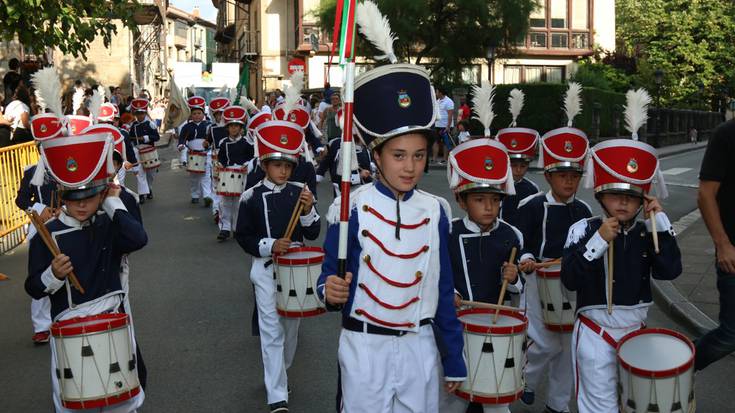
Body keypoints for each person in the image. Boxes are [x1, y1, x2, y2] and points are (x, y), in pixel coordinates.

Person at [317, 19, 467, 410]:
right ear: (377, 156)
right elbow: (329, 275)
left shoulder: (436, 211)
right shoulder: (352, 207)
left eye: (419, 156)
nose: (410, 167)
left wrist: (453, 358)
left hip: (420, 349)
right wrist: (328, 291)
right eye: (399, 156)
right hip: (365, 347)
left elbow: (442, 290)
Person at [562, 91, 682, 412]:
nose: (625, 202)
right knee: (599, 407)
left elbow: (670, 271)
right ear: (601, 194)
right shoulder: (583, 229)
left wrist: (661, 224)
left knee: (638, 405)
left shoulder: (647, 231)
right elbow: (570, 280)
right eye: (615, 194)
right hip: (594, 332)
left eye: (632, 196)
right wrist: (599, 240)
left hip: (636, 332)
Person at [25, 130, 148, 413]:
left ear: (102, 192)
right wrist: (52, 275)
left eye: (90, 196)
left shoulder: (110, 224)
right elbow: (33, 288)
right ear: (62, 195)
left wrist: (112, 201)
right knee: (75, 405)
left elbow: (139, 239)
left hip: (113, 322)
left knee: (124, 404)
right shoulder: (47, 235)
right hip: (69, 327)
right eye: (73, 197)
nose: (81, 204)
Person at [234, 120, 320, 413]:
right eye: (277, 164)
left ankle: (278, 373)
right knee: (271, 331)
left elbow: (313, 232)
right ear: (264, 165)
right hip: (265, 271)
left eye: (288, 165)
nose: (283, 171)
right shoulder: (250, 197)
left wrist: (308, 212)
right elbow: (243, 236)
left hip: (296, 272)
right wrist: (271, 245)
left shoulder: (301, 192)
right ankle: (277, 395)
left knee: (290, 331)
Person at [516, 83, 591, 413]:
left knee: (566, 347)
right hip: (538, 279)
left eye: (574, 175)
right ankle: (526, 379)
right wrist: (529, 259)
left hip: (570, 281)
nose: (569, 181)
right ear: (548, 175)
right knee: (541, 341)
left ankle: (558, 405)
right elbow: (522, 242)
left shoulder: (587, 213)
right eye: (562, 175)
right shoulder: (532, 205)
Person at [440, 139, 523, 413]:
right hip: (457, 327)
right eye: (479, 199)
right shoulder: (448, 234)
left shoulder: (510, 235)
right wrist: (450, 294)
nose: (489, 207)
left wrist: (514, 278)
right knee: (452, 399)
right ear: (461, 201)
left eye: (495, 200)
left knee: (496, 400)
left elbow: (517, 292)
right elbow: (439, 276)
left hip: (494, 326)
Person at [695, 117, 735, 370]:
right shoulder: (727, 134)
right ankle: (672, 370)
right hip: (734, 254)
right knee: (731, 335)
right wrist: (722, 244)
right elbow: (705, 194)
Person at [15, 147, 60, 344]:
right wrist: (39, 208)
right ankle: (42, 326)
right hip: (40, 228)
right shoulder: (31, 171)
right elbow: (21, 199)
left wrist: (64, 210)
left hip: (68, 221)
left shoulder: (69, 165)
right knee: (40, 274)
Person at [497, 89, 540, 228]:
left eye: (523, 166)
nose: (518, 170)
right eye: (513, 166)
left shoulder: (532, 189)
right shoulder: (496, 184)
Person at [216, 106, 253, 241]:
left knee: (238, 203)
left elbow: (253, 157)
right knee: (225, 203)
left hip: (241, 175)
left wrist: (247, 165)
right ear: (227, 128)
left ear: (241, 127)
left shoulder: (247, 142)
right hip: (227, 175)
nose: (234, 129)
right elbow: (221, 158)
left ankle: (237, 228)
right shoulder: (223, 143)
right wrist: (220, 164)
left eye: (236, 126)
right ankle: (225, 228)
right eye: (231, 126)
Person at [178, 96, 213, 205]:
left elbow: (212, 139)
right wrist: (181, 145)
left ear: (203, 114)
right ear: (190, 115)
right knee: (194, 177)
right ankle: (195, 194)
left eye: (199, 113)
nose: (197, 115)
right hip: (192, 154)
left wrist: (209, 143)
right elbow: (182, 139)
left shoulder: (208, 125)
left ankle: (207, 196)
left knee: (206, 176)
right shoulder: (187, 127)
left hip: (205, 154)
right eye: (194, 113)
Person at [127, 98, 160, 203]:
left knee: (151, 173)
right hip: (137, 151)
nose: (140, 115)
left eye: (141, 113)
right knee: (140, 173)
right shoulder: (133, 125)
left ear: (145, 113)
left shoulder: (151, 124)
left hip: (149, 150)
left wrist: (145, 138)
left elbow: (156, 137)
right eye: (137, 113)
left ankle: (149, 189)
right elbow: (130, 138)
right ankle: (142, 194)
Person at [206, 97, 231, 221]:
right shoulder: (211, 128)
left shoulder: (231, 127)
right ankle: (216, 210)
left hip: (229, 160)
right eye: (217, 114)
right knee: (216, 186)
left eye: (222, 113)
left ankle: (227, 211)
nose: (220, 116)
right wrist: (205, 143)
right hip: (216, 160)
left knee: (228, 186)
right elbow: (208, 141)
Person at [433, 87, 455, 165]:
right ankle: (434, 159)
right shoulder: (437, 101)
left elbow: (450, 115)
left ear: (441, 93)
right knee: (436, 141)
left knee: (446, 142)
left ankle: (445, 159)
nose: (436, 93)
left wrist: (448, 126)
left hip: (446, 125)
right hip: (437, 125)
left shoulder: (449, 101)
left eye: (437, 92)